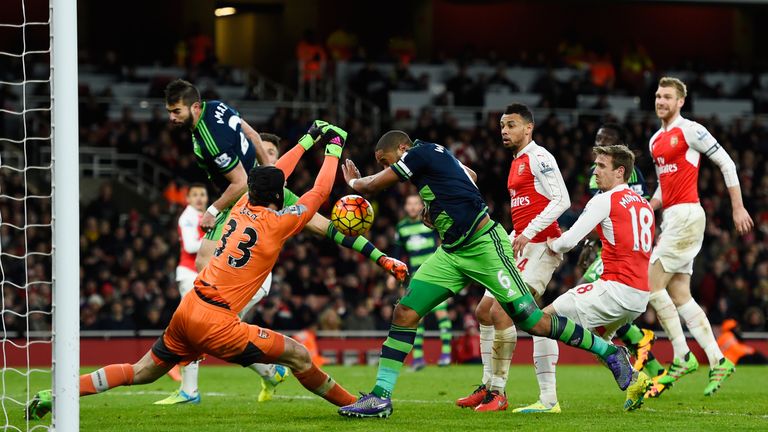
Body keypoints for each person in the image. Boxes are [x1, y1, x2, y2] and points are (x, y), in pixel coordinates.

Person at [26, 124, 357, 421]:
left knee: (140, 371)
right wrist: (334, 148)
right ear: (277, 196)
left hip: (189, 308)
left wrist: (309, 138)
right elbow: (320, 192)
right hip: (219, 323)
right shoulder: (280, 223)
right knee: (299, 356)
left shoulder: (241, 205)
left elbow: (274, 173)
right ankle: (354, 403)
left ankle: (57, 395)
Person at [337, 130, 640, 419]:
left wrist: (355, 183)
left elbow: (371, 186)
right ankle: (380, 396)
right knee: (405, 312)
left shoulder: (418, 153)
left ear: (402, 150)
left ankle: (610, 353)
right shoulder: (434, 155)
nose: (385, 168)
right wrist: (441, 203)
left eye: (385, 161)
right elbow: (471, 175)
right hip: (452, 252)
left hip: (485, 247)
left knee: (531, 321)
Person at [160, 83, 409, 403]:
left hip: (246, 271)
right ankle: (261, 373)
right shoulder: (221, 122)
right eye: (270, 156)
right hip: (238, 255)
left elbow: (329, 226)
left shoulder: (264, 189)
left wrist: (381, 257)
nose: (274, 161)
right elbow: (259, 145)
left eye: (275, 155)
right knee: (210, 300)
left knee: (209, 303)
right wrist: (308, 144)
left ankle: (192, 385)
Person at [521, 144, 655, 413]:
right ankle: (634, 380)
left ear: (620, 172)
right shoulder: (644, 204)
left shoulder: (604, 199)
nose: (596, 171)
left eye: (602, 166)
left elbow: (569, 241)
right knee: (596, 344)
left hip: (615, 288)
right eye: (595, 165)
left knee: (541, 321)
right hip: (639, 296)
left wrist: (552, 244)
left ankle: (548, 401)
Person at [456, 103, 570, 413]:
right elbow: (525, 210)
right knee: (483, 311)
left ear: (528, 128)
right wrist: (508, 237)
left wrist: (528, 232)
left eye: (511, 125)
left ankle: (500, 393)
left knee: (503, 312)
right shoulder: (517, 161)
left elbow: (562, 199)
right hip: (519, 244)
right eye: (502, 126)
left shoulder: (540, 157)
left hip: (542, 246)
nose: (504, 131)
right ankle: (487, 385)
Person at [644, 77, 754, 398]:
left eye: (667, 96)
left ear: (680, 102)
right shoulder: (655, 141)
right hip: (673, 216)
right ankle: (718, 359)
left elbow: (726, 162)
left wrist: (737, 208)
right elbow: (665, 183)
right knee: (679, 294)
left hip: (687, 214)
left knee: (650, 284)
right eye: (657, 96)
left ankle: (681, 356)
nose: (660, 101)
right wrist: (650, 206)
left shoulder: (690, 129)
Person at [575, 124, 664, 381]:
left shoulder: (630, 175)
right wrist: (592, 244)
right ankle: (654, 369)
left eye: (606, 139)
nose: (599, 142)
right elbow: (601, 218)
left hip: (627, 250)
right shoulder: (594, 175)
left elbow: (631, 212)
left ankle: (636, 355)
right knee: (612, 313)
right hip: (608, 248)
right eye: (597, 138)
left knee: (589, 295)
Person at [394, 194, 452, 371]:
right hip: (416, 278)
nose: (412, 207)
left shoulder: (429, 222)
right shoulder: (402, 228)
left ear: (421, 205)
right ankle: (418, 358)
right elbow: (398, 253)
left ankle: (446, 355)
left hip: (436, 275)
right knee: (417, 317)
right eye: (409, 203)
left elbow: (444, 241)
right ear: (405, 206)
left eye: (415, 203)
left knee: (441, 315)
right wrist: (395, 277)